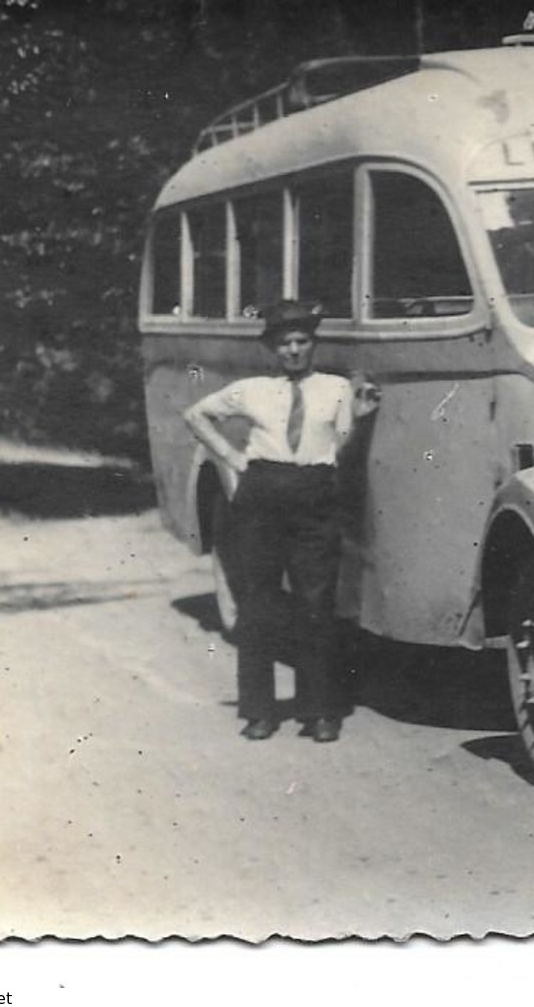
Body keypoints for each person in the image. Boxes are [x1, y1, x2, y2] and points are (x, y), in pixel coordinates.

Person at [183, 301, 380, 743]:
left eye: (302, 341)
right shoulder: (252, 390)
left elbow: (343, 446)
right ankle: (259, 711)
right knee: (258, 604)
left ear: (313, 344)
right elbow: (196, 415)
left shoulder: (336, 389)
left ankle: (320, 712)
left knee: (316, 605)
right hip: (261, 496)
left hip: (315, 495)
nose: (294, 350)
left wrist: (361, 420)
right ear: (273, 348)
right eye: (285, 343)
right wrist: (232, 458)